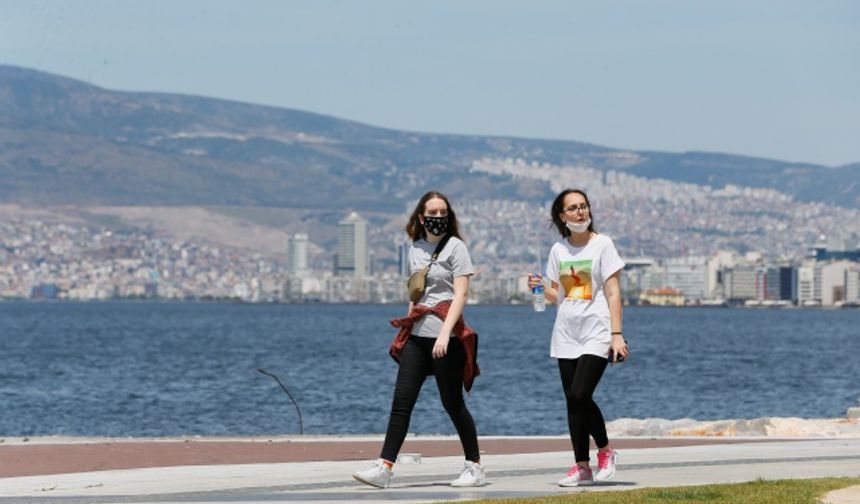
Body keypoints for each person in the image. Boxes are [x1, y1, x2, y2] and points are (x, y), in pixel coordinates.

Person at [353, 191, 485, 489]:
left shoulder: (456, 247)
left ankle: (474, 466)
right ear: (421, 216)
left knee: (452, 403)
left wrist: (444, 334)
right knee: (402, 402)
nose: (437, 218)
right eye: (432, 213)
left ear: (448, 216)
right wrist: (405, 329)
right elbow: (415, 294)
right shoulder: (415, 248)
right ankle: (385, 467)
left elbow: (460, 295)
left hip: (445, 336)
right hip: (417, 337)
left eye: (443, 213)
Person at [528, 188, 628, 487]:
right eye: (573, 208)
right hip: (566, 332)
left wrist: (617, 334)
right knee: (572, 403)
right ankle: (581, 467)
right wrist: (536, 288)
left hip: (597, 331)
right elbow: (559, 295)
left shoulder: (603, 245)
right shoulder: (559, 251)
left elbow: (613, 292)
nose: (581, 212)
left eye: (584, 206)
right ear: (562, 216)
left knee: (579, 394)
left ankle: (606, 451)